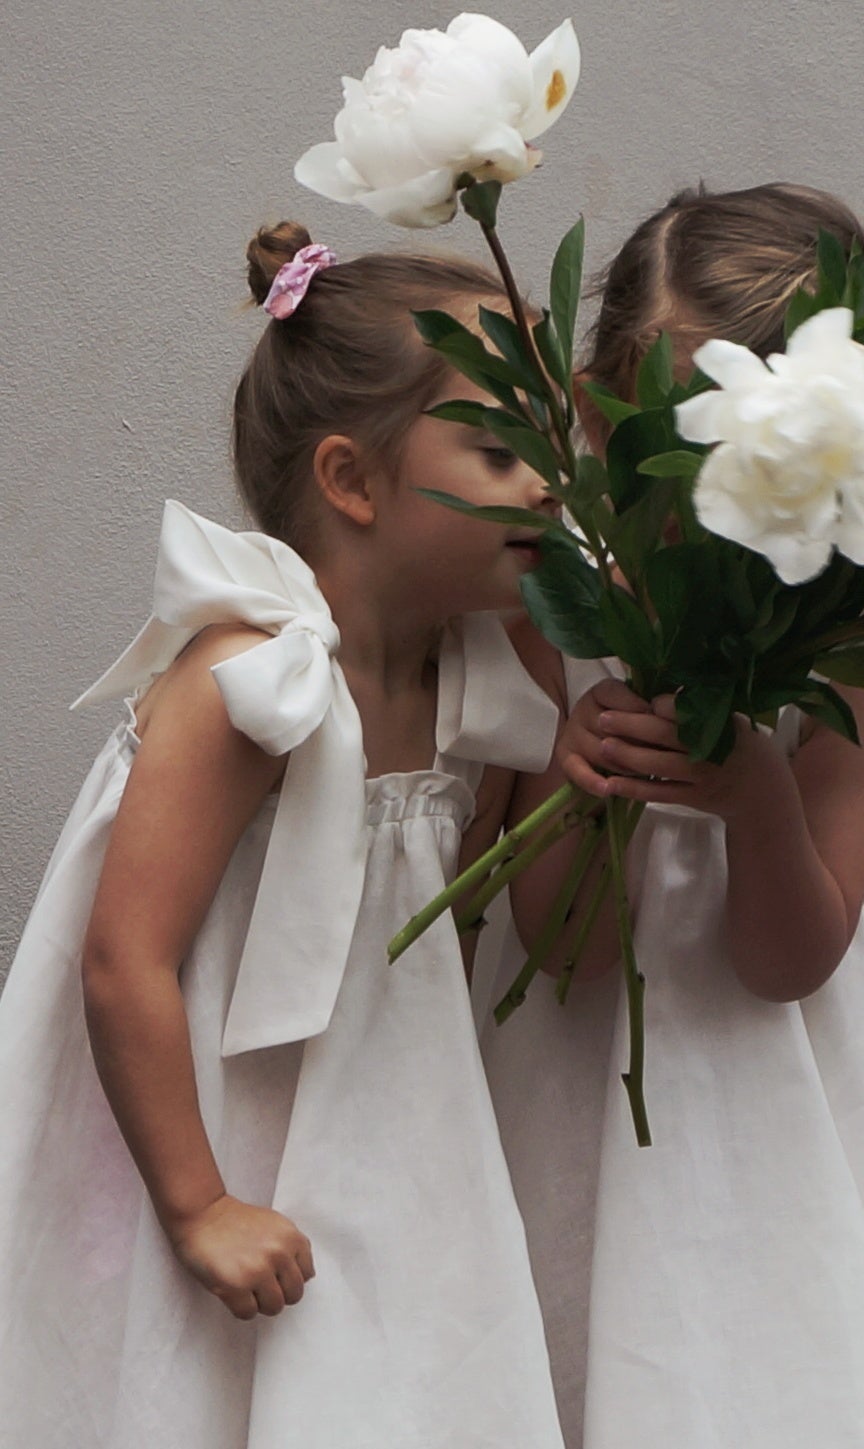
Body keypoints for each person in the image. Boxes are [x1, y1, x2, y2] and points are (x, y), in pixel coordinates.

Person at [0, 224, 569, 1448]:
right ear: (352, 482)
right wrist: (199, 1203)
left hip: (377, 1114)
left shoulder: (488, 672)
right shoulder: (249, 681)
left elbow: (477, 912)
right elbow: (125, 961)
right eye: (499, 448)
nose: (548, 483)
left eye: (552, 447)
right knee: (194, 1382)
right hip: (199, 1126)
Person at [475, 184, 864, 1449]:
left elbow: (789, 961)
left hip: (789, 1105)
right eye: (661, 426)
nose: (693, 479)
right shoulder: (551, 603)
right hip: (569, 1086)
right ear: (598, 408)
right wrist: (573, 773)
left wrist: (757, 792)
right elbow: (561, 951)